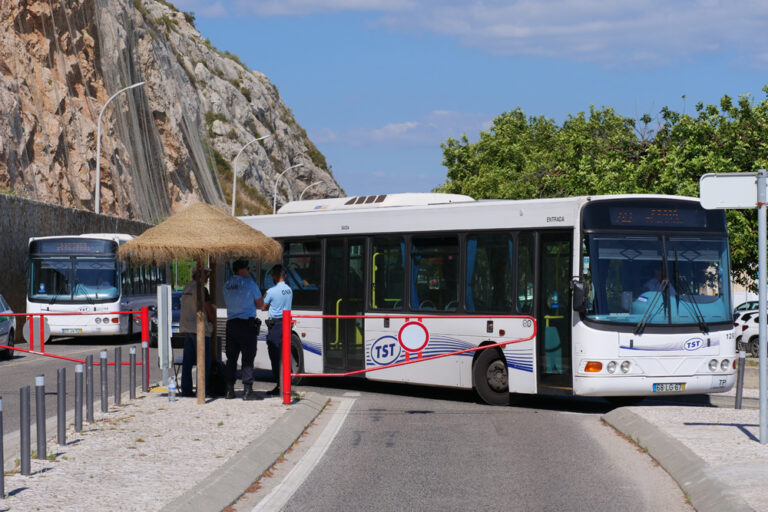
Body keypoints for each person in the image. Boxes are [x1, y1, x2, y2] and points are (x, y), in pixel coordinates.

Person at [223, 259, 264, 401]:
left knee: (231, 359)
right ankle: (247, 390)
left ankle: (229, 390)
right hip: (247, 325)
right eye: (247, 268)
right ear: (241, 270)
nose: (249, 270)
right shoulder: (250, 284)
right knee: (248, 358)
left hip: (231, 324)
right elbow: (260, 303)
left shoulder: (226, 285)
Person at [179, 266, 214, 397]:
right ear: (200, 275)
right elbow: (208, 309)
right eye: (207, 274)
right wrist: (213, 320)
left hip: (187, 329)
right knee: (204, 362)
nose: (208, 277)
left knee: (187, 362)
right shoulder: (202, 289)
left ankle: (186, 390)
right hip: (200, 330)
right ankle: (203, 389)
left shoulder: (187, 287)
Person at [262, 264, 293, 396]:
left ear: (274, 276)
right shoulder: (289, 290)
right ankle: (286, 384)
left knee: (275, 356)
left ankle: (280, 385)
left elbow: (263, 307)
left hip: (275, 326)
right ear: (284, 276)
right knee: (285, 354)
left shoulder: (271, 291)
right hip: (286, 325)